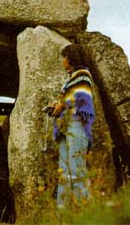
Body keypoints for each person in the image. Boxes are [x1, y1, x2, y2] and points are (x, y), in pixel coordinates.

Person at [51, 44, 95, 209]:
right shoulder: (71, 79)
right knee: (64, 174)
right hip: (65, 128)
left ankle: (87, 217)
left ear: (70, 58)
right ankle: (63, 217)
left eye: (63, 57)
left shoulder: (83, 74)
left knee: (77, 173)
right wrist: (58, 106)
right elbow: (69, 99)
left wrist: (61, 105)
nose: (62, 61)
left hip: (77, 126)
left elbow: (79, 97)